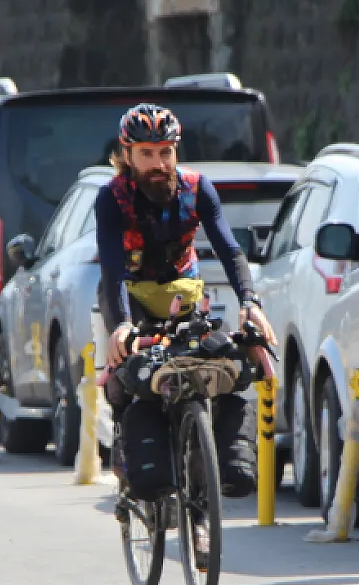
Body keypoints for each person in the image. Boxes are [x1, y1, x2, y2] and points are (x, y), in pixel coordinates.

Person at [95, 103, 278, 497]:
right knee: (128, 374)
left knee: (224, 361)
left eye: (165, 152)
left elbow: (230, 250)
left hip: (183, 292)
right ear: (127, 156)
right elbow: (111, 267)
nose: (158, 163)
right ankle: (131, 457)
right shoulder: (112, 198)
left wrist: (251, 302)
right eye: (146, 154)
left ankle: (210, 474)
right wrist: (122, 327)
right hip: (131, 295)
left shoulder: (197, 188)